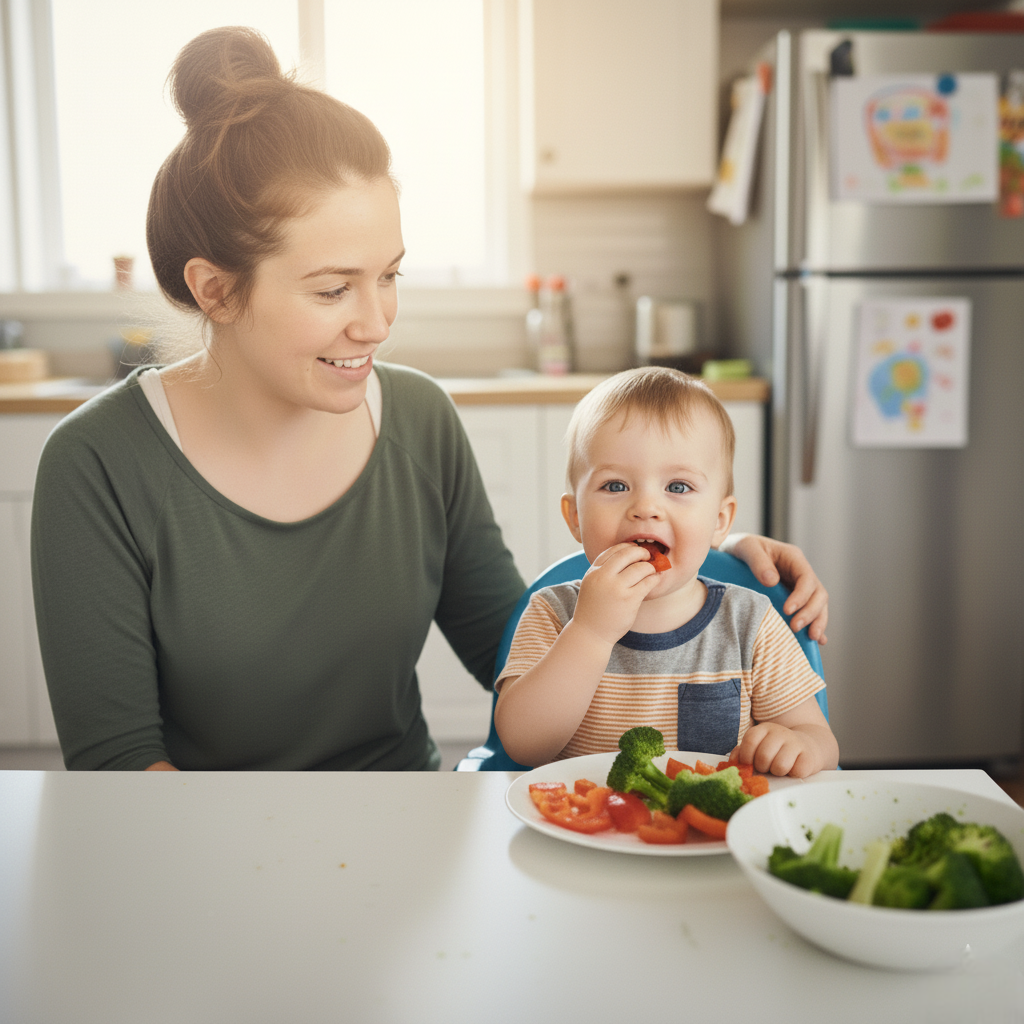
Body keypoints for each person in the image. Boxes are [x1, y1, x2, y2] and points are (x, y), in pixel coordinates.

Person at [30, 27, 828, 772]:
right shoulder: (99, 464)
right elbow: (121, 769)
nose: (375, 322)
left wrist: (711, 556)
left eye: (388, 276)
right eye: (333, 287)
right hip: (196, 854)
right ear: (215, 290)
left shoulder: (419, 420)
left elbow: (513, 652)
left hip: (407, 831)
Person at [493, 367, 839, 776]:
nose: (646, 507)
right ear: (575, 517)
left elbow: (819, 740)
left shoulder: (750, 623)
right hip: (582, 826)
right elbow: (522, 746)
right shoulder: (552, 613)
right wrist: (589, 632)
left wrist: (795, 744)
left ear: (720, 521)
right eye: (615, 486)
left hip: (706, 833)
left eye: (678, 487)